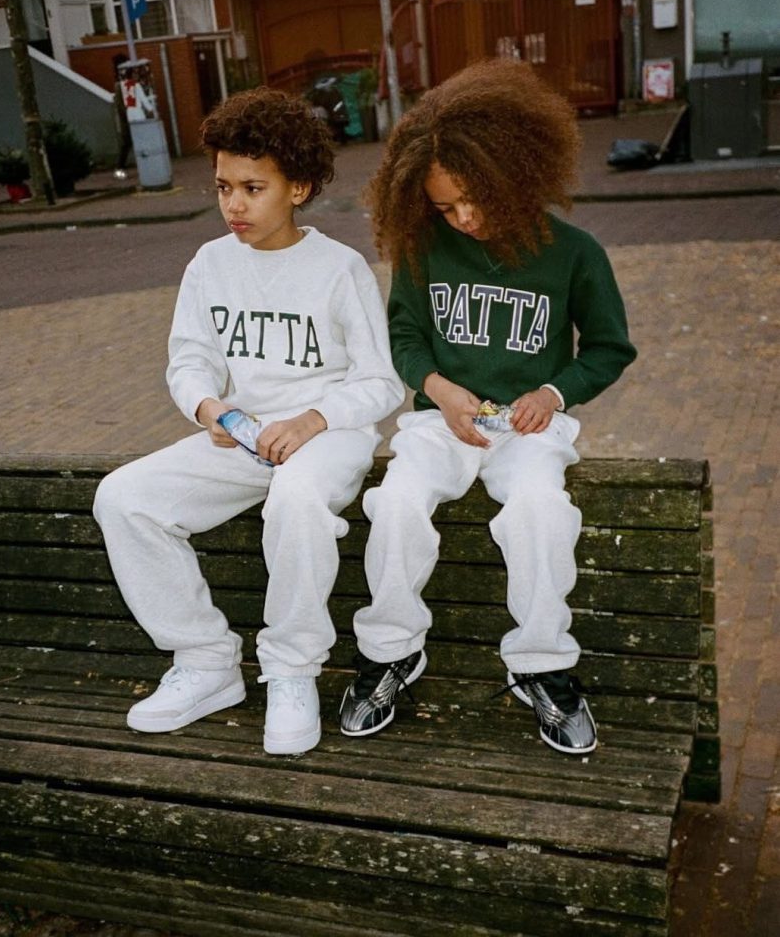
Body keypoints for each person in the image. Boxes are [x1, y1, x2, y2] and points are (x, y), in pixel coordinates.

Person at [339, 59, 637, 755]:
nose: (463, 218)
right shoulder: (423, 247)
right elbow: (405, 336)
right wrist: (439, 390)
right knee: (397, 502)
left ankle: (540, 665)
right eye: (445, 207)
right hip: (441, 421)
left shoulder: (573, 253)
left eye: (474, 199)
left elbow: (607, 348)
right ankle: (390, 654)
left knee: (539, 510)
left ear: (514, 173)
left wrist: (551, 394)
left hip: (528, 427)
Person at [93, 87, 404, 755]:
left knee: (296, 496)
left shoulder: (338, 268)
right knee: (124, 498)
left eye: (253, 188)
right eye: (223, 187)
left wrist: (315, 419)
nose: (234, 204)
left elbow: (380, 382)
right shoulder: (210, 263)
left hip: (328, 437)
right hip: (244, 435)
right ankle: (206, 662)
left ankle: (291, 670)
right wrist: (209, 407)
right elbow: (189, 360)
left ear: (299, 188)